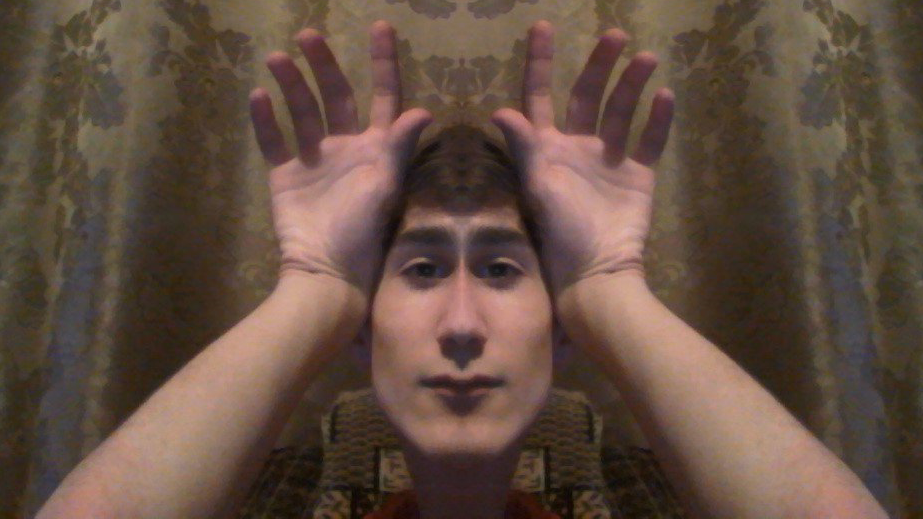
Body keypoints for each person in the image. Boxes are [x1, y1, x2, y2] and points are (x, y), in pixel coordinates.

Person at [35, 19, 889, 519]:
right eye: (419, 269)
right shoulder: (279, 496)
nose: (460, 326)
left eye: (502, 268)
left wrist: (608, 278)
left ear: (562, 324)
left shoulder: (643, 496)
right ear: (360, 323)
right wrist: (314, 278)